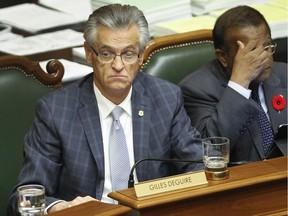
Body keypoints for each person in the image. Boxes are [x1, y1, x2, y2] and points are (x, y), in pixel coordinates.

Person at [7, 4, 203, 215]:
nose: (118, 65)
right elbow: (23, 199)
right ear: (89, 54)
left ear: (141, 56)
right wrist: (60, 207)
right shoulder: (56, 111)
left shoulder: (165, 98)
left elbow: (197, 167)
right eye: (107, 53)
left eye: (128, 54)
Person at [179, 5, 287, 163]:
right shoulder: (197, 89)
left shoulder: (285, 74)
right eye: (252, 53)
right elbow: (210, 152)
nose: (264, 57)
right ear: (223, 57)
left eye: (267, 47)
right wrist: (240, 83)